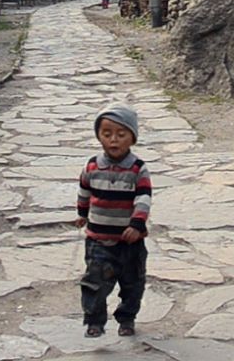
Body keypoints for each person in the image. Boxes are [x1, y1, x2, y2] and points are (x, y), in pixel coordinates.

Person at [75, 104, 151, 339]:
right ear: (99, 136)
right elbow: (84, 190)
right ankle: (94, 321)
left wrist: (137, 225)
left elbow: (144, 198)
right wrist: (82, 213)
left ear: (132, 138)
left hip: (130, 241)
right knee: (94, 283)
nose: (113, 140)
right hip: (98, 240)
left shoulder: (138, 169)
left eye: (121, 134)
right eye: (107, 134)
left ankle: (127, 318)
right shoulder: (92, 166)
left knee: (132, 284)